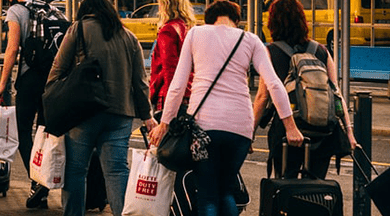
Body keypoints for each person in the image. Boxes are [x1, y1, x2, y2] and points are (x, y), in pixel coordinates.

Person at [147, 1, 305, 215]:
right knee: (226, 190)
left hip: (204, 128)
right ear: (236, 20)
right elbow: (275, 84)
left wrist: (165, 123)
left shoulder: (197, 34)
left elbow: (177, 84)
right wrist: (290, 126)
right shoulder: (250, 39)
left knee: (208, 192)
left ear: (209, 19)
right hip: (240, 128)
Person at [47, 0, 153, 214]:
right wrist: (147, 117)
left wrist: (52, 97)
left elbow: (57, 69)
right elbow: (140, 84)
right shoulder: (129, 37)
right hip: (120, 115)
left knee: (76, 171)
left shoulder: (78, 30)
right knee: (116, 171)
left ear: (86, 11)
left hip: (84, 114)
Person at [253, 0, 359, 180]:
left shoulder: (271, 52)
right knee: (315, 187)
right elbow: (336, 93)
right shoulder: (321, 51)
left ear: (273, 22)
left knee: (285, 184)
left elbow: (262, 97)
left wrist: (251, 133)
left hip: (288, 131)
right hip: (322, 132)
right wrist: (349, 132)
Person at [0, 0, 63, 208]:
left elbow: (12, 49)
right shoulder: (55, 12)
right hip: (53, 81)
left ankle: (37, 180)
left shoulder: (16, 11)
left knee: (22, 130)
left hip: (30, 79)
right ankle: (42, 185)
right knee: (44, 134)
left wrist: (3, 83)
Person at [149, 0, 196, 112]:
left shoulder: (168, 30)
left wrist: (171, 101)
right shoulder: (189, 29)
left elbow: (170, 68)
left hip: (168, 92)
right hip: (190, 91)